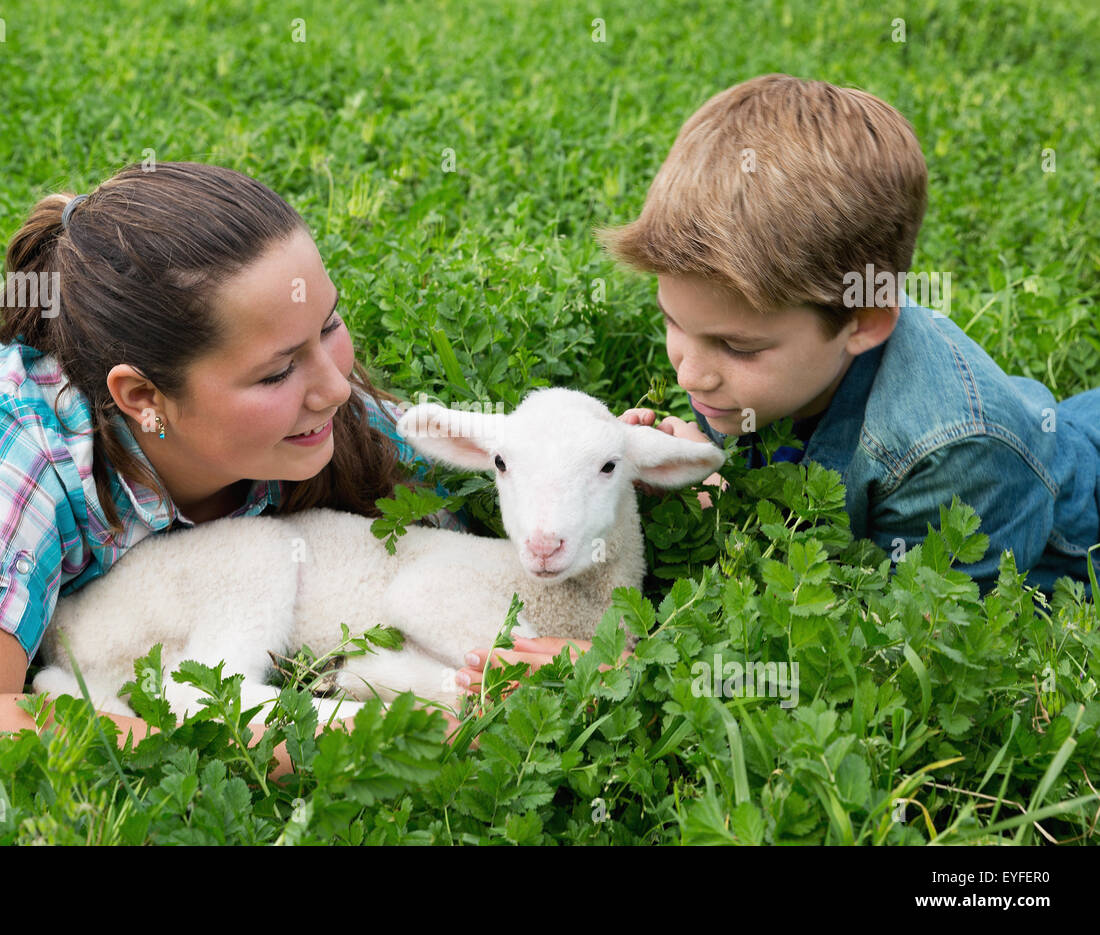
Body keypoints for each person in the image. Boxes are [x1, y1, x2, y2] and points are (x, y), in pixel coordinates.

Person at [0, 162, 468, 774]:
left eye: (329, 324)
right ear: (143, 398)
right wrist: (321, 744)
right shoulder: (4, 452)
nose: (335, 388)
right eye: (278, 370)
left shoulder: (321, 412)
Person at [458, 73, 1100, 689]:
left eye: (736, 347)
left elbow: (911, 656)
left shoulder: (955, 452)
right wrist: (712, 474)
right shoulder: (770, 363)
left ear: (862, 321)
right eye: (672, 321)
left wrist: (638, 675)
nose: (689, 369)